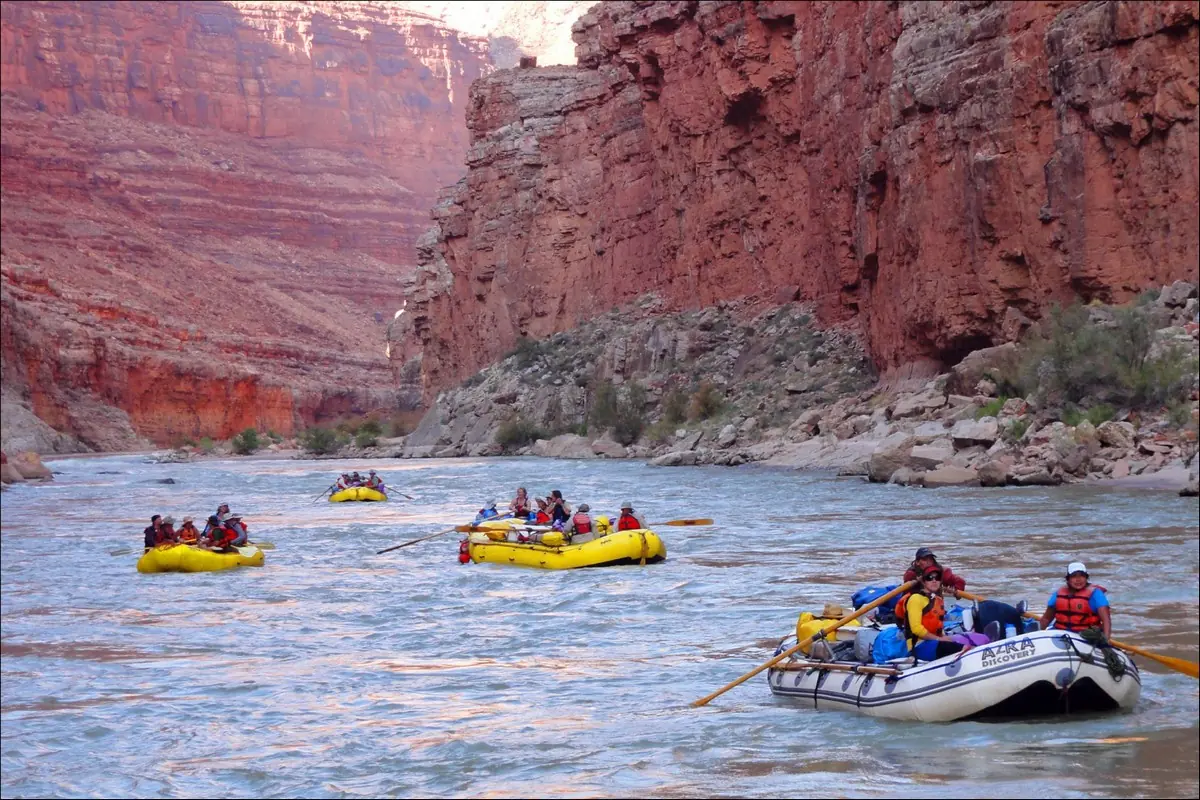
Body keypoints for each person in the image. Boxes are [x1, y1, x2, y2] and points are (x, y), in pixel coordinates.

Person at [899, 566, 970, 662]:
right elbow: (916, 629)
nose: (934, 581)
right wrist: (939, 639)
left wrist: (946, 637)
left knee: (965, 639)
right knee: (951, 646)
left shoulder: (938, 600)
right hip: (918, 646)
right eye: (930, 577)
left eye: (937, 578)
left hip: (934, 642)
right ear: (924, 581)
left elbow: (939, 627)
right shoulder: (915, 599)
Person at [1039, 562, 1111, 639]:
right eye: (1074, 576)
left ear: (1086, 578)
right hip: (1061, 633)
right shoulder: (1059, 593)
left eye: (1082, 576)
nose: (1078, 580)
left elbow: (1106, 621)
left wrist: (1106, 640)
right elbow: (1046, 619)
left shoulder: (1096, 594)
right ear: (1068, 579)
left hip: (1086, 635)